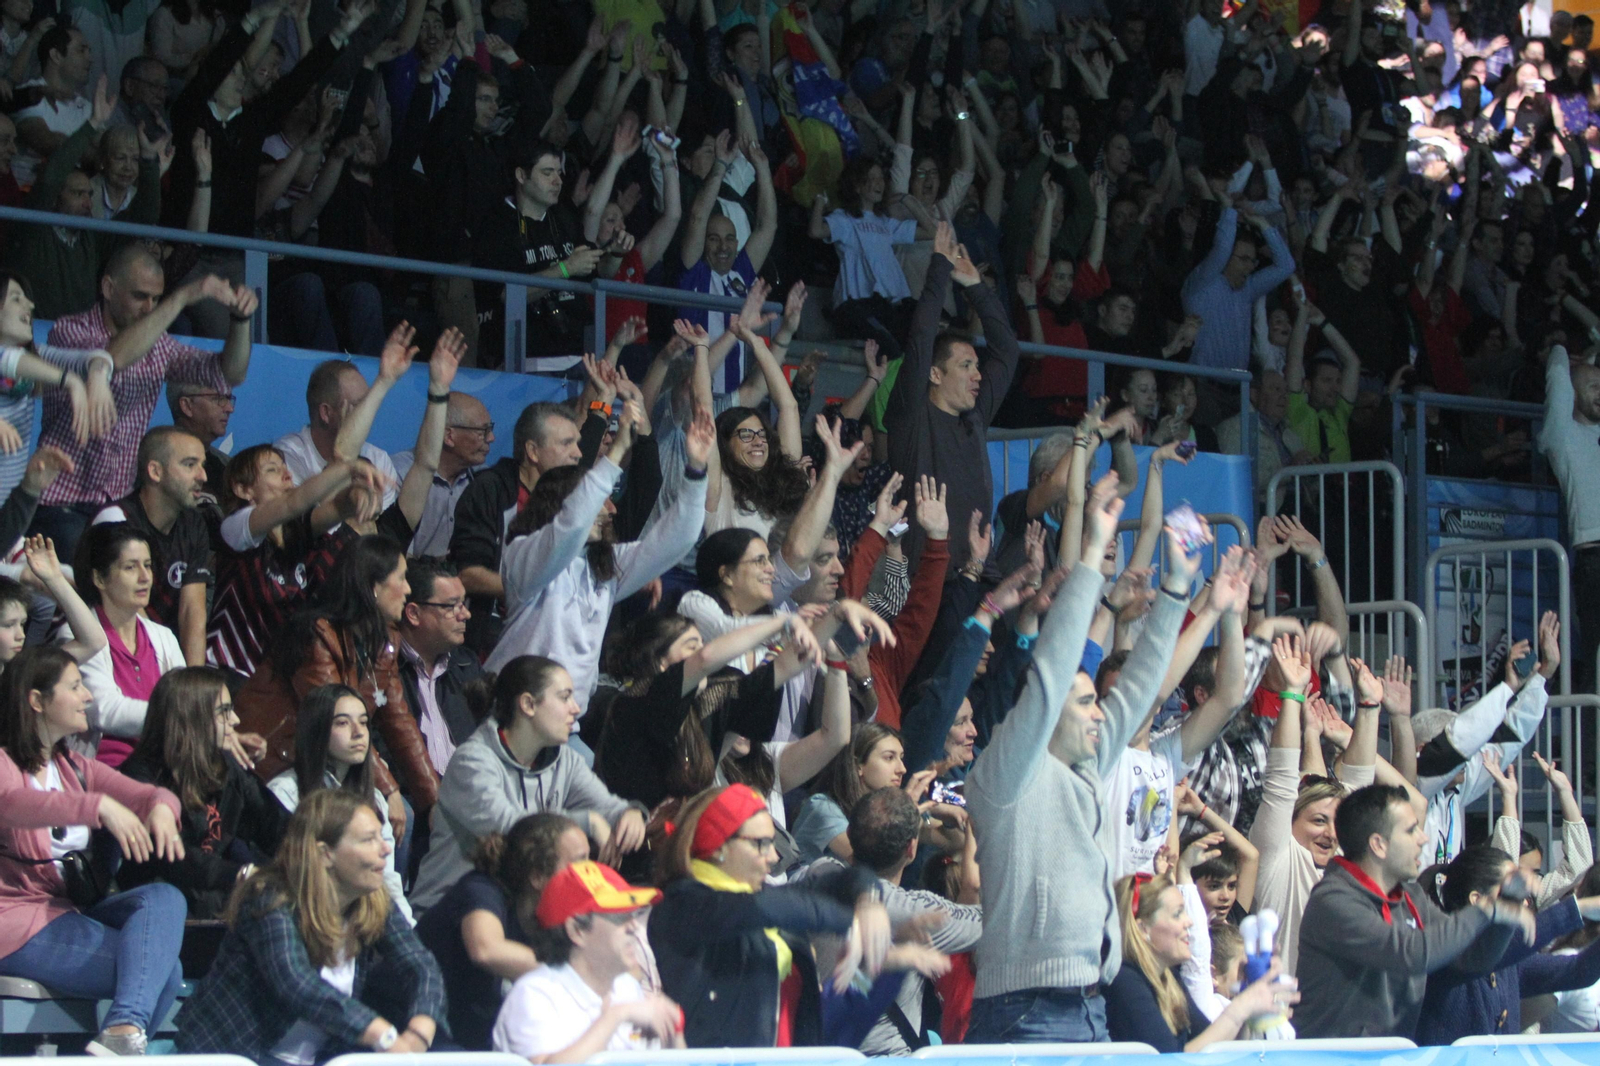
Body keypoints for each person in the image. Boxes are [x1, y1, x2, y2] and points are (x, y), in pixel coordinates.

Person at [964, 474, 1191, 1044]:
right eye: (1086, 702)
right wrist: (1092, 552)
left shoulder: (1084, 768)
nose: (1100, 716)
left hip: (1091, 1005)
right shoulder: (1005, 773)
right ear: (1043, 711)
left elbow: (1140, 688)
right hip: (1026, 1010)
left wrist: (1179, 592)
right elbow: (1051, 668)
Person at [0, 645, 187, 1057]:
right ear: (36, 701)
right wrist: (98, 807)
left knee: (165, 898)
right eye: (75, 686)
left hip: (65, 912)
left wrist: (159, 809)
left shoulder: (74, 768)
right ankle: (120, 1038)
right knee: (165, 973)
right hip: (14, 921)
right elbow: (12, 804)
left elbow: (153, 794)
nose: (88, 696)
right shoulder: (3, 762)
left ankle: (120, 1033)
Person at [174, 789, 447, 1060]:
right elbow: (297, 984)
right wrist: (381, 1033)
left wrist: (419, 1032)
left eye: (381, 836)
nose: (386, 848)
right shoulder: (268, 897)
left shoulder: (372, 899)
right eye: (368, 840)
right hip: (230, 1054)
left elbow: (421, 965)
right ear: (325, 854)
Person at [34, 244, 257, 562]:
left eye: (157, 299)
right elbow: (110, 360)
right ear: (108, 288)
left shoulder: (160, 345)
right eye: (140, 296)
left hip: (119, 507)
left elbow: (230, 373)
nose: (149, 308)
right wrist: (179, 298)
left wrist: (239, 321)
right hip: (62, 503)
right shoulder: (69, 330)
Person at [487, 402, 711, 706]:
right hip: (512, 714)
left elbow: (676, 539)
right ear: (560, 505)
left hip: (567, 720)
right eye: (600, 500)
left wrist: (696, 470)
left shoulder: (603, 565)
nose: (610, 510)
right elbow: (571, 525)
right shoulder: (524, 557)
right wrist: (616, 453)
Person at [647, 783, 890, 1048]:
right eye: (761, 844)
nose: (774, 857)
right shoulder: (686, 905)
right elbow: (777, 907)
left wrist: (868, 900)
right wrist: (852, 924)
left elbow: (848, 879)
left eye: (773, 843)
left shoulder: (762, 902)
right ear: (718, 846)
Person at [1294, 783, 1538, 1038]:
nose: (1424, 838)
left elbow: (1472, 958)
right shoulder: (1333, 900)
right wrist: (1486, 910)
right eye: (1411, 830)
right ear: (1379, 844)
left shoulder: (1411, 897)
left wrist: (1508, 901)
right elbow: (1409, 954)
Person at [410, 655, 647, 910]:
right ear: (528, 704)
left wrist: (629, 813)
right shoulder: (473, 761)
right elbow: (510, 827)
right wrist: (586, 821)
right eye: (564, 697)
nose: (576, 708)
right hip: (447, 913)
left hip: (515, 914)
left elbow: (607, 808)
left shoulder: (563, 759)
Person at [235, 536, 428, 839]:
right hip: (276, 765)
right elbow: (334, 712)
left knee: (411, 815)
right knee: (387, 813)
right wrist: (389, 790)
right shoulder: (316, 636)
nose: (408, 589)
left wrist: (434, 801)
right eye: (401, 579)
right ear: (373, 587)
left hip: (328, 767)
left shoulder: (384, 640)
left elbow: (400, 722)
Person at [885, 222, 1019, 573]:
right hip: (924, 582)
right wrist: (939, 270)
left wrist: (975, 286)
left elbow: (1006, 350)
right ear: (934, 373)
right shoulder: (911, 416)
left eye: (977, 366)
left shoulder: (975, 416)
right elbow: (920, 339)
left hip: (975, 574)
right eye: (966, 366)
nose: (978, 374)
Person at [117, 666, 289, 919]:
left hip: (213, 899)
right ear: (191, 717)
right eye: (224, 712)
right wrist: (240, 875)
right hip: (159, 906)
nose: (236, 721)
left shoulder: (223, 765)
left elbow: (274, 821)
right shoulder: (141, 777)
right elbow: (175, 860)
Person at [417, 812, 589, 1050]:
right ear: (538, 876)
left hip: (472, 1035)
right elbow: (486, 950)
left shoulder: (564, 914)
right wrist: (570, 973)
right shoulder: (481, 890)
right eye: (579, 863)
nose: (591, 874)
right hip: (413, 1025)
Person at [493, 860, 686, 1058]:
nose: (634, 926)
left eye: (633, 913)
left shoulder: (626, 988)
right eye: (619, 916)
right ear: (577, 931)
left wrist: (673, 1033)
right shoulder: (534, 994)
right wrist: (616, 1016)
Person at [1416, 844, 1600, 1044]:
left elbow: (1579, 971)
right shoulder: (1444, 951)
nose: (1525, 902)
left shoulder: (1511, 962)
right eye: (1510, 890)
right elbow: (1490, 956)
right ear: (1477, 900)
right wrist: (1577, 908)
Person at [204, 445, 358, 677]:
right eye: (272, 470)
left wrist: (359, 491)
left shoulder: (296, 535)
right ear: (243, 490)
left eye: (286, 468)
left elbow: (338, 507)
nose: (287, 475)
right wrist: (347, 469)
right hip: (228, 676)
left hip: (274, 685)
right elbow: (292, 503)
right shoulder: (235, 529)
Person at [1104, 871, 1295, 1051]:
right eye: (1178, 913)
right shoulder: (1124, 980)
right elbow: (1172, 1061)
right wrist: (1241, 1007)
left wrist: (1252, 1011)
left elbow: (1208, 1045)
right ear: (1143, 929)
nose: (1189, 922)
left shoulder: (1169, 976)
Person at [268, 684, 410, 924]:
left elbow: (387, 878)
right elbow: (291, 878)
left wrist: (408, 928)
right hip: (304, 920)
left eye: (364, 722)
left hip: (363, 923)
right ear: (317, 730)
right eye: (342, 723)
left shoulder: (374, 799)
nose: (358, 733)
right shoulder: (285, 792)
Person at [451, 401, 583, 657]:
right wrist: (537, 588)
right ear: (533, 451)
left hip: (554, 642)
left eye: (577, 443)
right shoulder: (490, 491)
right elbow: (468, 574)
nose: (578, 453)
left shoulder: (570, 499)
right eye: (566, 443)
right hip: (491, 645)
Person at [90, 427, 215, 666]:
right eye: (190, 465)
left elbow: (192, 611)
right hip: (111, 652)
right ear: (155, 471)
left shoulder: (194, 523)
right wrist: (162, 674)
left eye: (202, 465)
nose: (203, 476)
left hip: (163, 654)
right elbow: (128, 608)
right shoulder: (115, 519)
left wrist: (192, 682)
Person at [74, 522, 186, 767]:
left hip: (163, 763)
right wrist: (181, 718)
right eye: (130, 567)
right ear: (99, 578)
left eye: (147, 565)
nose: (145, 577)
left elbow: (185, 699)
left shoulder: (163, 636)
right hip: (107, 769)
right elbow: (103, 709)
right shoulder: (77, 637)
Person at [1539, 343, 1600, 690]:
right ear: (1574, 395)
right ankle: (1595, 743)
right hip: (1596, 559)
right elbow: (1559, 375)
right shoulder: (1562, 435)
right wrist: (1564, 348)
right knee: (1597, 658)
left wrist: (1590, 360)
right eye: (1592, 387)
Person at [273, 359, 402, 512]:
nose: (368, 414)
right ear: (326, 413)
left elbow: (382, 530)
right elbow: (311, 526)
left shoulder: (378, 459)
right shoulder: (287, 457)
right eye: (360, 405)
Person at [396, 557, 483, 780]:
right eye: (451, 606)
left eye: (463, 604)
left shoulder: (466, 665)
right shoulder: (385, 668)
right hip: (412, 798)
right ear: (413, 613)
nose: (465, 614)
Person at [1182, 207, 1296, 373]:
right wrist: (1229, 211)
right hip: (1204, 386)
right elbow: (1221, 249)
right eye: (1244, 259)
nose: (1250, 267)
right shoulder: (1202, 283)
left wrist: (1263, 224)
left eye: (1253, 261)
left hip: (1238, 387)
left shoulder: (1248, 288)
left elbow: (1287, 266)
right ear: (1226, 258)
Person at [391, 391, 493, 556]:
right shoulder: (398, 474)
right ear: (449, 436)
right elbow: (392, 556)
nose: (491, 438)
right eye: (483, 431)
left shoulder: (484, 480)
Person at [166, 377, 236, 502]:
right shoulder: (148, 460)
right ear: (187, 406)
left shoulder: (230, 469)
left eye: (229, 399)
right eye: (218, 398)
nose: (230, 409)